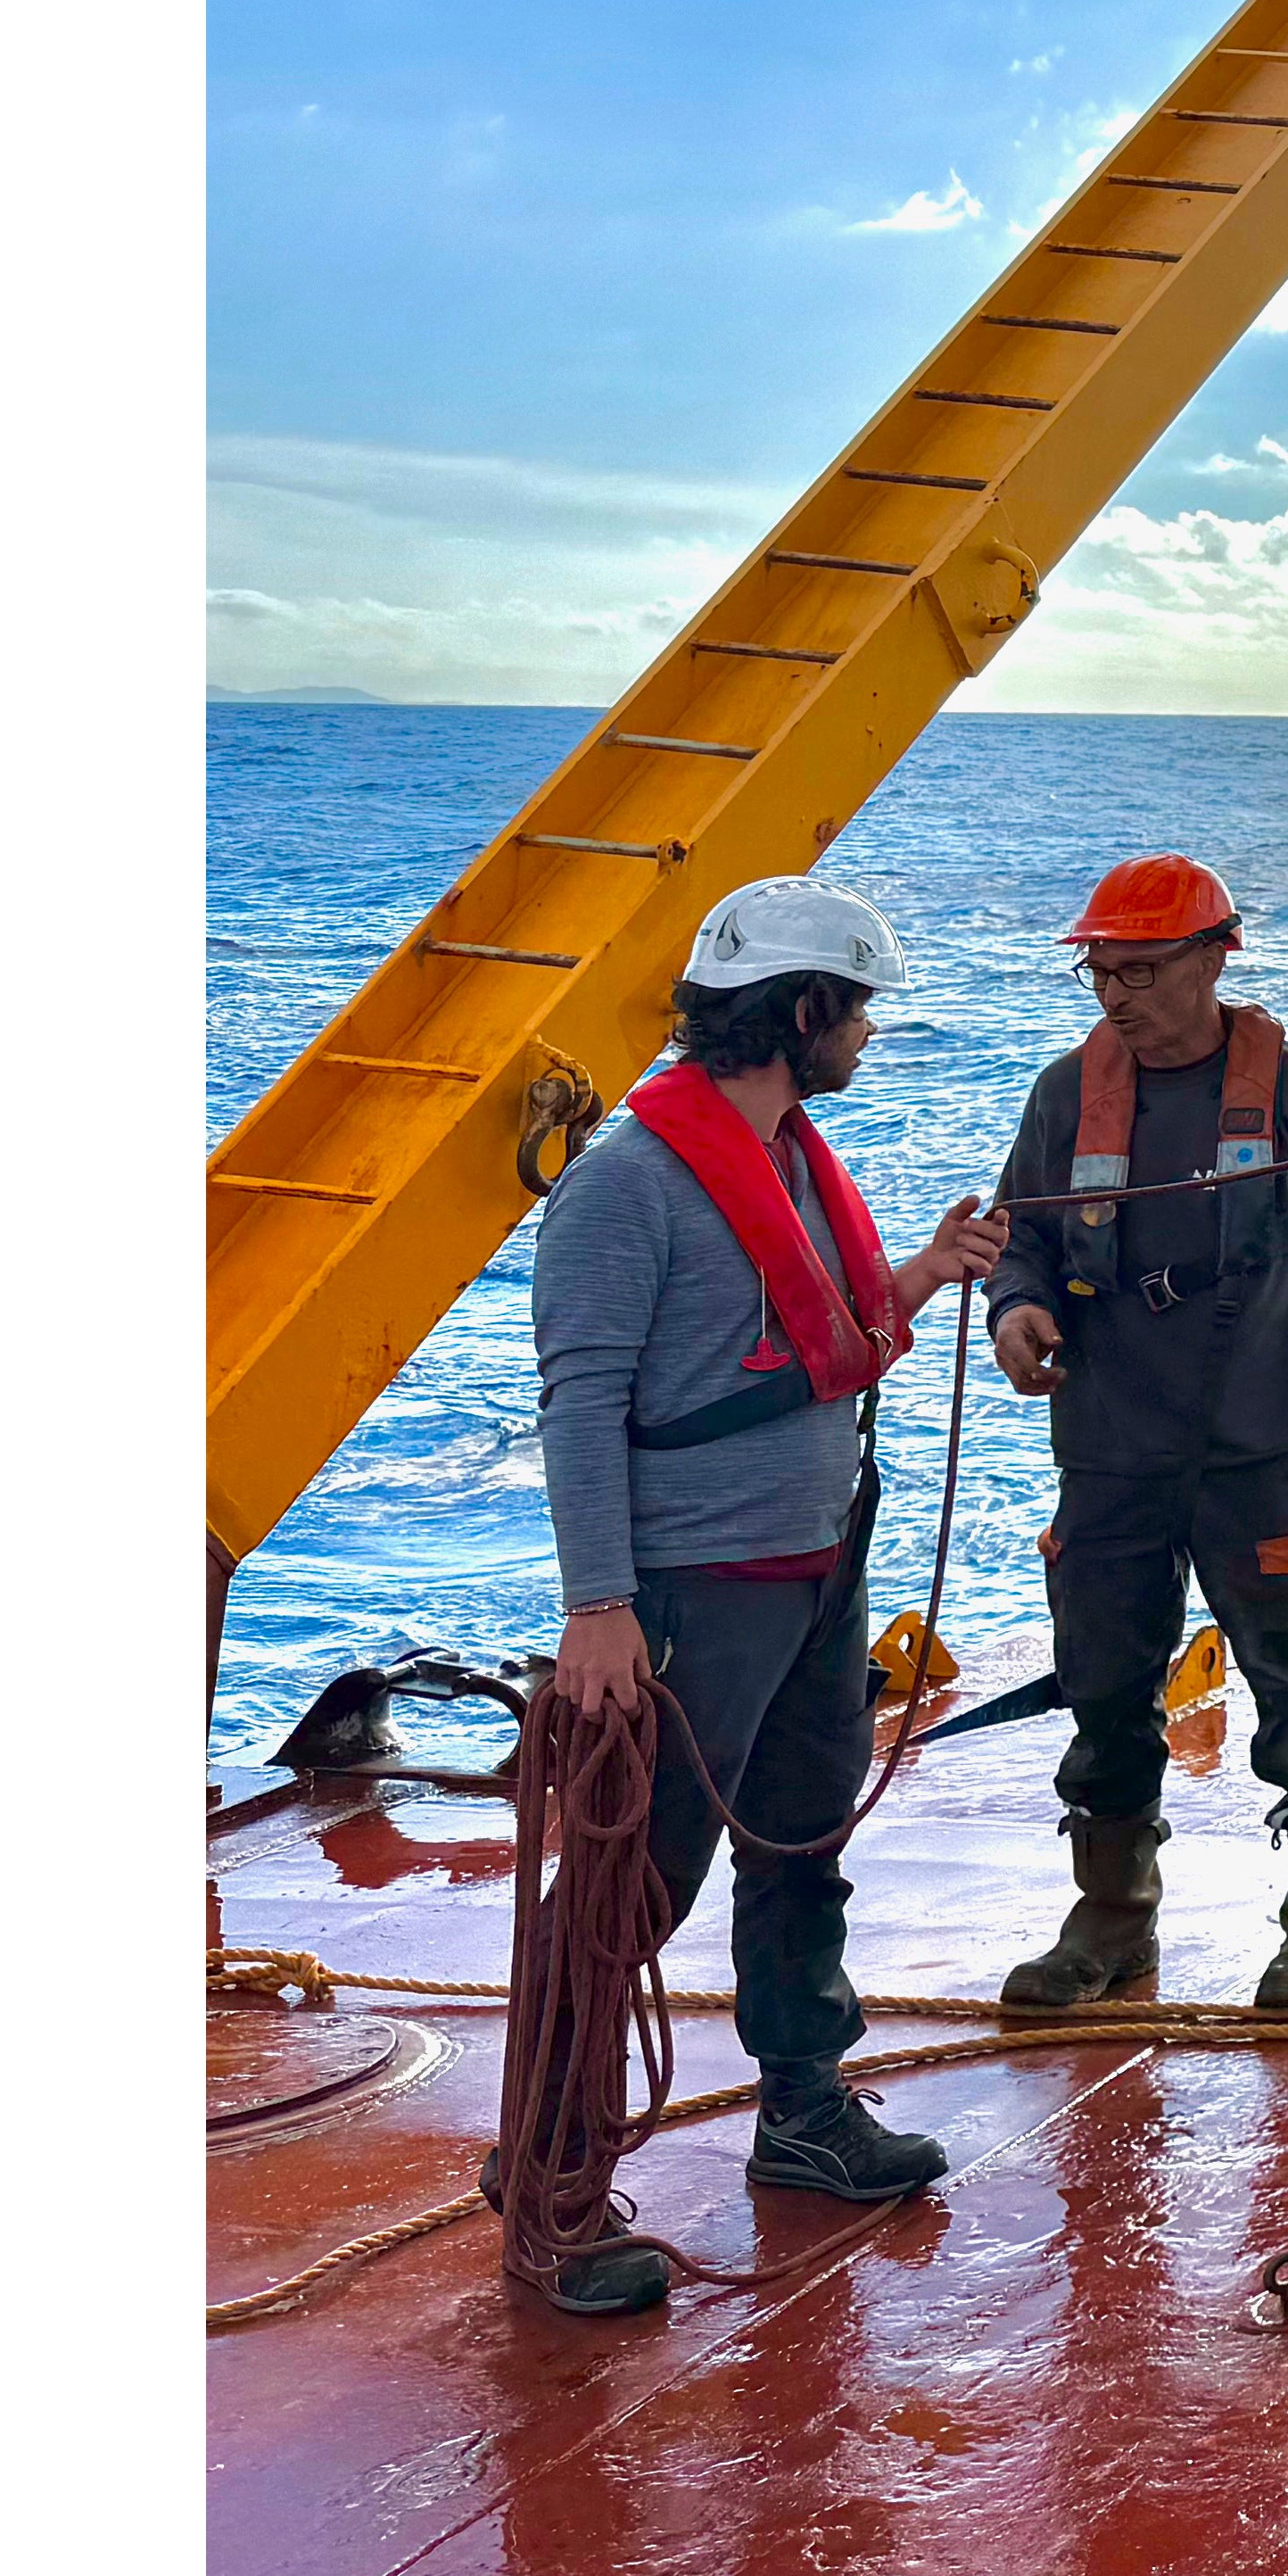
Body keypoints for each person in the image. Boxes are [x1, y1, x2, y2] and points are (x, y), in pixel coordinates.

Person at [521, 874, 1008, 2315]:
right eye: (853, 1007)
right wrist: (598, 1605)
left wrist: (921, 1273)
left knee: (802, 1835)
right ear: (799, 1012)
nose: (866, 1033)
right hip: (691, 1588)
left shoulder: (790, 1159)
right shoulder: (628, 1183)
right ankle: (548, 2172)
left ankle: (804, 2110)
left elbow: (805, 1340)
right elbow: (580, 1398)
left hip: (814, 1563)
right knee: (635, 1872)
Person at [980, 854, 1288, 2015]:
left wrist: (1249, 1346)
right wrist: (1018, 1309)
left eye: (1142, 971)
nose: (1117, 996)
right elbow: (1024, 1237)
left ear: (1216, 959)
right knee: (1104, 1681)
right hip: (1108, 1448)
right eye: (1101, 975)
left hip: (1261, 1453)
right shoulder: (1067, 1096)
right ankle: (1111, 1920)